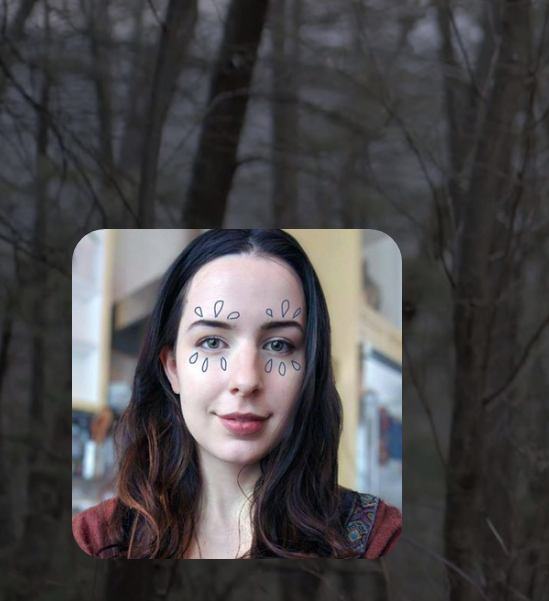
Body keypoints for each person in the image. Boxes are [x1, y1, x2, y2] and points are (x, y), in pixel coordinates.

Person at [72, 229, 401, 558]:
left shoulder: (378, 540)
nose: (246, 380)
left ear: (309, 370)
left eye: (278, 345)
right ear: (172, 368)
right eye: (212, 342)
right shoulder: (95, 539)